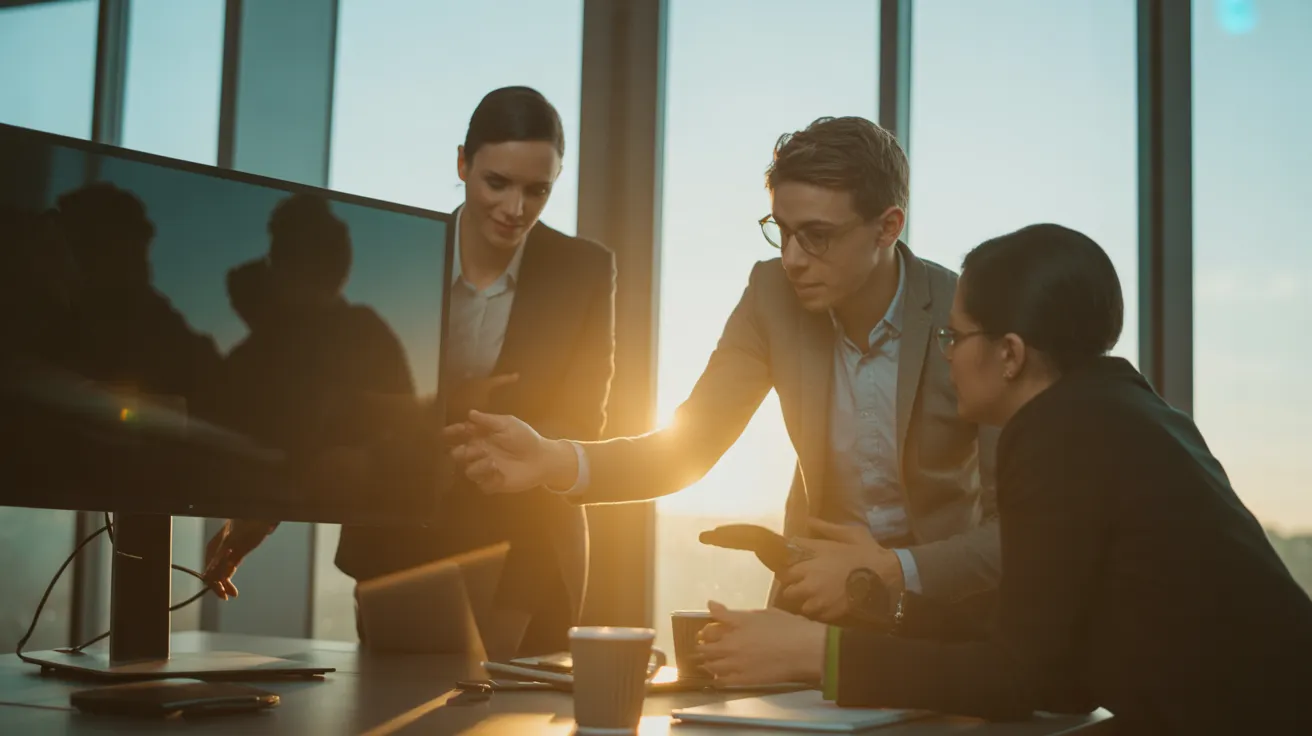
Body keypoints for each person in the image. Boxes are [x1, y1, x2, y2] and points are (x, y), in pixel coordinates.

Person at [693, 224, 1312, 734]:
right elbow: (1045, 637)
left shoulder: (1054, 433)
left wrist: (811, 652)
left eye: (954, 337)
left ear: (1010, 354)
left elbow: (1022, 678)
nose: (946, 356)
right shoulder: (1118, 406)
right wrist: (882, 603)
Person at [447, 116, 999, 619]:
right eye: (782, 230)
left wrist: (893, 569)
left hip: (948, 614)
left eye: (817, 236)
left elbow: (1013, 531)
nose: (792, 258)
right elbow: (687, 446)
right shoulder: (771, 295)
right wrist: (551, 458)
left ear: (887, 227)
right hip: (817, 606)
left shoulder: (970, 315)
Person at [204, 86, 616, 658]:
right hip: (397, 545)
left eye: (537, 189)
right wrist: (265, 511)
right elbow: (331, 409)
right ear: (461, 164)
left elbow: (579, 424)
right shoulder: (399, 254)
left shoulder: (584, 271)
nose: (516, 208)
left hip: (529, 555)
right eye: (497, 182)